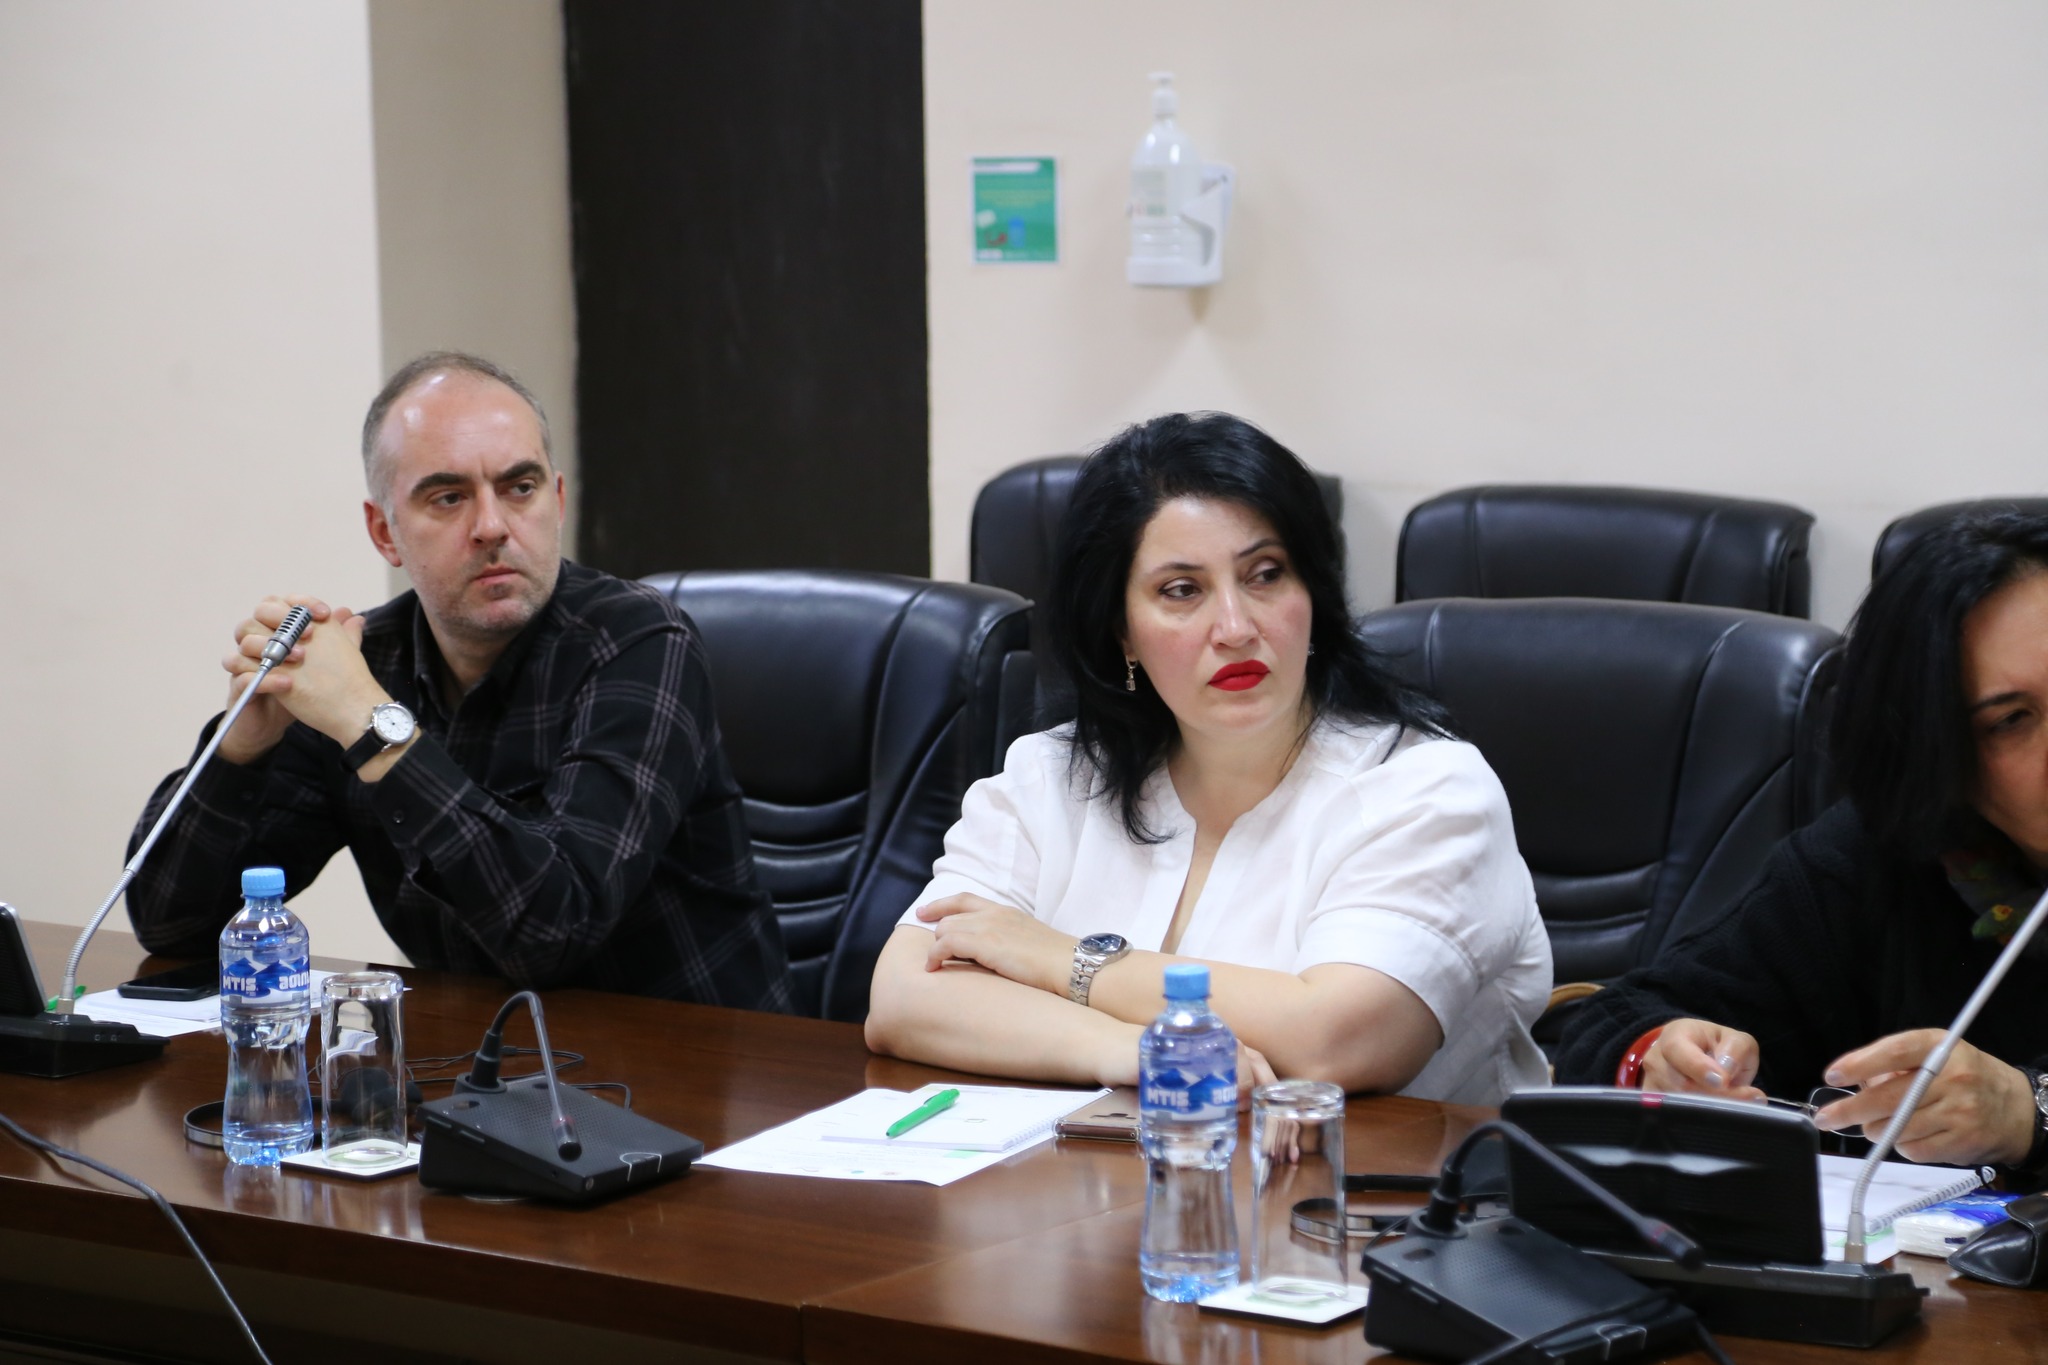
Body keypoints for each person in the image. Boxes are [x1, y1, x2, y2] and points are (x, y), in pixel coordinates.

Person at [864, 413, 1551, 1104]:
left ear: (1313, 593)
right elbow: (902, 996)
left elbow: (1337, 1039)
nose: (1235, 627)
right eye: (1181, 590)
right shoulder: (1050, 775)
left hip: (1377, 1174)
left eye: (1265, 575)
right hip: (1103, 1165)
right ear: (1122, 633)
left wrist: (1059, 959)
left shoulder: (1427, 789)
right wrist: (1135, 1051)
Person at [124, 352, 794, 1011]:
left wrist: (372, 725)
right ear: (385, 532)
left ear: (558, 502)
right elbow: (170, 926)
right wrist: (241, 748)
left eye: (520, 487)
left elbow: (555, 930)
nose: (492, 526)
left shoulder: (639, 642)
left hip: (701, 1062)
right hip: (486, 1061)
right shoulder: (370, 666)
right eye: (448, 497)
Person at [1555, 512, 2048, 1175]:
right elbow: (1613, 1022)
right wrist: (1667, 1058)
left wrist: (2030, 1108)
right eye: (2010, 720)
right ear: (1936, 748)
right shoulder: (1881, 858)